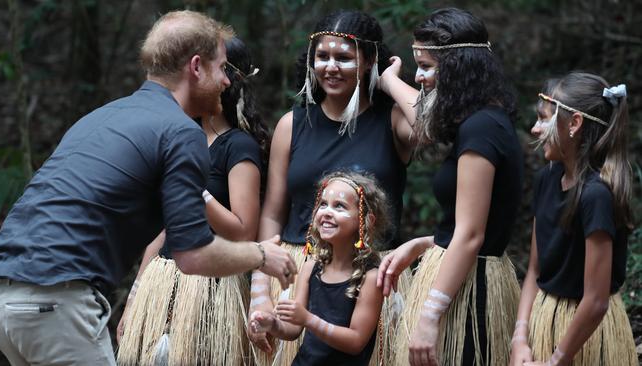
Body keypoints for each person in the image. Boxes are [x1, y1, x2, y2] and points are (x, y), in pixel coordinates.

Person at [0, 11, 295, 366]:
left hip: (3, 296)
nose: (228, 83)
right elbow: (193, 255)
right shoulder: (180, 132)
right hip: (58, 298)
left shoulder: (103, 115)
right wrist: (261, 255)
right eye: (222, 69)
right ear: (196, 67)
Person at [247, 10, 416, 365]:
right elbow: (273, 214)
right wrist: (260, 292)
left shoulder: (393, 120)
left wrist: (390, 82)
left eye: (344, 57)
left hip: (369, 277)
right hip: (299, 270)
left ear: (368, 61)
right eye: (322, 57)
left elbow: (434, 126)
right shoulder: (292, 124)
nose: (330, 67)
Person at [376, 8, 523, 366]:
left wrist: (429, 318)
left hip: (470, 292)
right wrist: (422, 244)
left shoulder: (482, 129)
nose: (421, 77)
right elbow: (471, 226)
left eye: (427, 66)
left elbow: (472, 235)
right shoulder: (481, 120)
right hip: (467, 277)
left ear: (457, 67)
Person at [116, 36, 269, 365]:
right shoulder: (178, 136)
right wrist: (135, 297)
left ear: (228, 79)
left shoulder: (238, 147)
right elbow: (162, 230)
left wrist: (195, 192)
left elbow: (243, 232)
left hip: (210, 290)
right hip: (162, 283)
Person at [509, 72, 637, 366]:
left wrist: (557, 360)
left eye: (543, 119)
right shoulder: (546, 179)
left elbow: (595, 300)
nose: (534, 129)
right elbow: (534, 269)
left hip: (585, 338)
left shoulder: (596, 196)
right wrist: (520, 339)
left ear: (575, 124)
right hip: (545, 320)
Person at [250, 171, 387, 365]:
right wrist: (272, 324)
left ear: (365, 221)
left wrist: (308, 319)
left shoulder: (371, 277)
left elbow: (356, 341)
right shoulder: (311, 267)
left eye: (339, 206)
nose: (327, 212)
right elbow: (293, 329)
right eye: (323, 204)